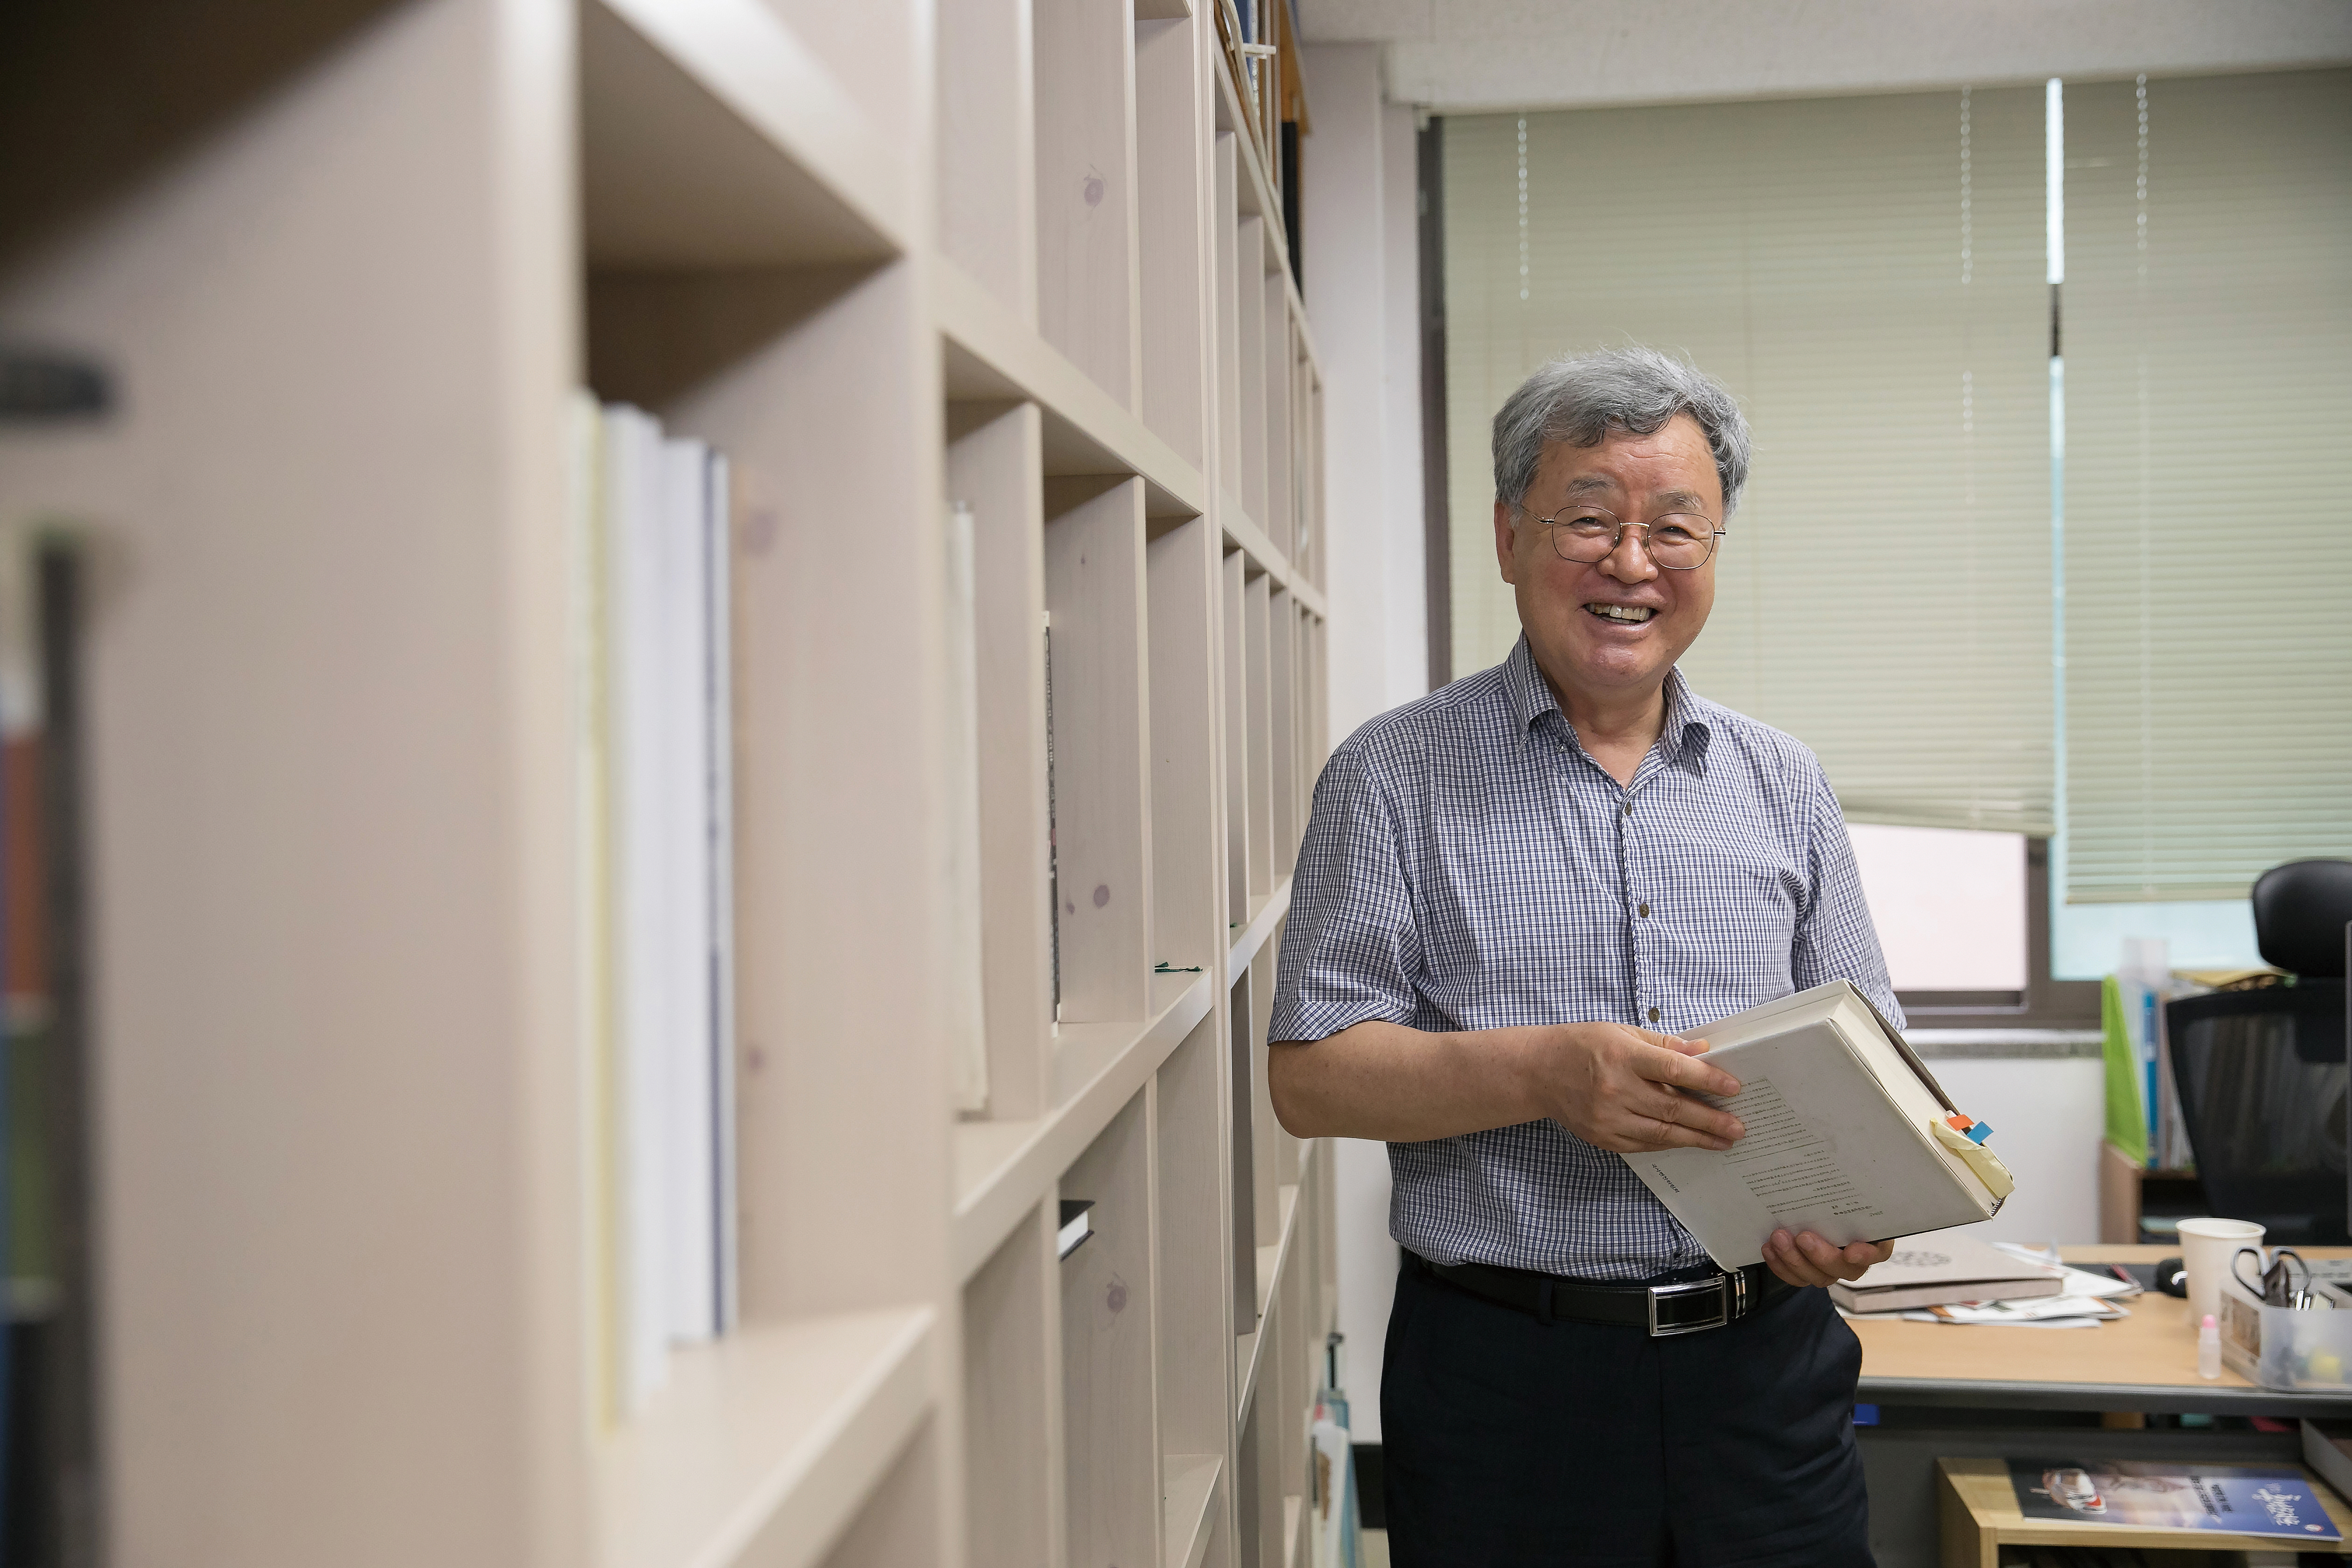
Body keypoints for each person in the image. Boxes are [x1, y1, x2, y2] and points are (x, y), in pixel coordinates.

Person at [1266, 346, 1898, 1567]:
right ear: (1508, 535)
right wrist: (1544, 1074)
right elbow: (1312, 1075)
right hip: (1510, 1384)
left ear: (1715, 552)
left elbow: (1868, 1050)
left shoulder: (1785, 783)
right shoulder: (1392, 776)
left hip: (1769, 1378)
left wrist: (1858, 1209)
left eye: (1676, 529)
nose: (1631, 563)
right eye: (1588, 521)